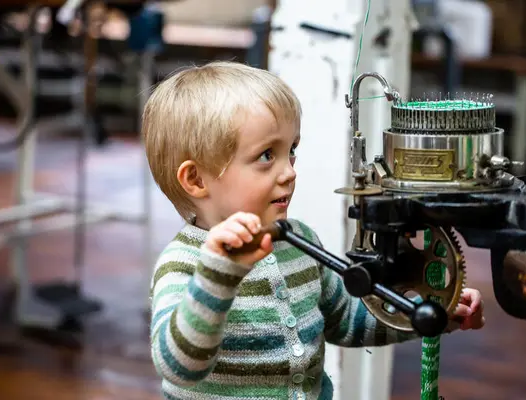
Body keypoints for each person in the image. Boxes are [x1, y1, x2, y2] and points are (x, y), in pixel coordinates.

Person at [143, 61, 485, 400]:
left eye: (291, 151)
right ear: (196, 180)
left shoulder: (299, 240)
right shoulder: (184, 264)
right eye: (266, 155)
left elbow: (348, 320)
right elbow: (179, 366)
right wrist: (217, 277)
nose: (289, 171)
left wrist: (428, 311)